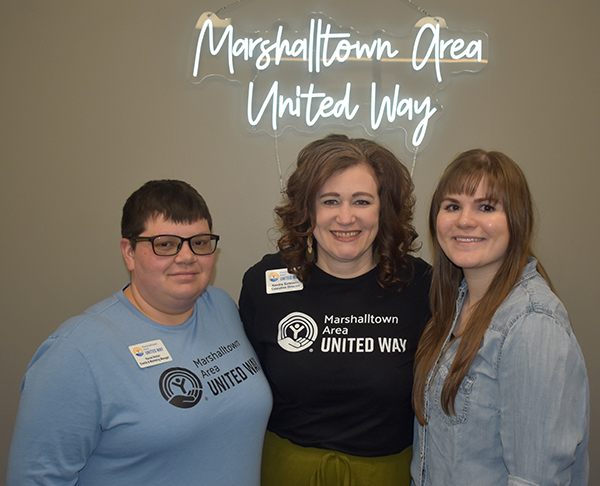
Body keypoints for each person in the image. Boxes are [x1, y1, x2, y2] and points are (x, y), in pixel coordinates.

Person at [7, 179, 272, 486]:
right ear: (129, 252)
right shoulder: (75, 353)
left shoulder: (220, 307)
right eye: (165, 244)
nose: (187, 256)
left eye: (199, 242)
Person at [239, 134, 431, 485]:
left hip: (385, 473)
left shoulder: (421, 286)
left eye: (361, 201)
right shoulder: (264, 284)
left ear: (383, 209)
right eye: (330, 201)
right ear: (308, 209)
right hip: (286, 472)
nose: (346, 217)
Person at [411, 150, 589, 485]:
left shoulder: (532, 323)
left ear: (517, 220)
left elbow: (535, 478)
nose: (465, 220)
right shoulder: (454, 306)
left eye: (486, 207)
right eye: (452, 206)